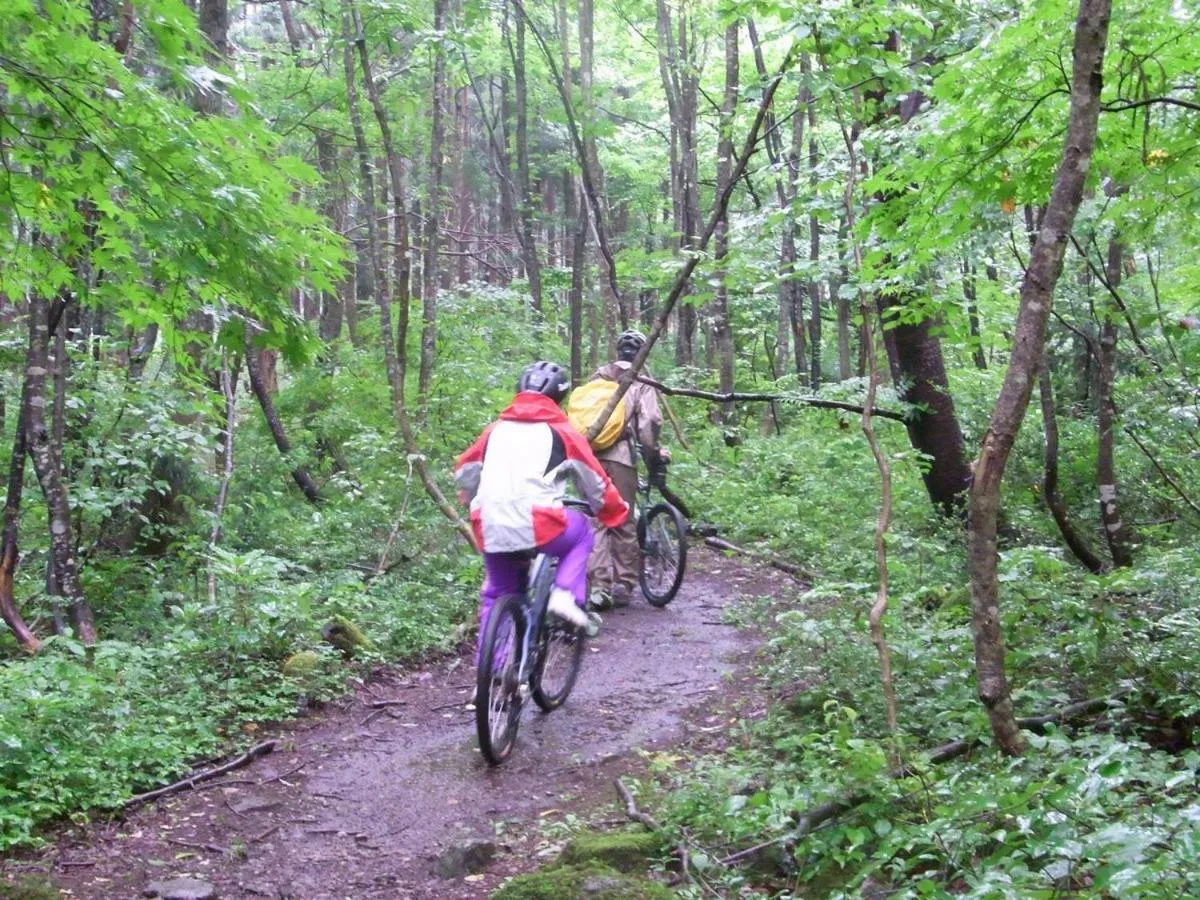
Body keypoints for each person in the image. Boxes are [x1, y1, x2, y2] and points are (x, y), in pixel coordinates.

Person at [455, 361, 628, 665]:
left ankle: (493, 670)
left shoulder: (494, 431)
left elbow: (466, 471)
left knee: (498, 593)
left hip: (489, 522)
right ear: (559, 397)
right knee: (582, 532)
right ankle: (565, 594)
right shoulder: (563, 433)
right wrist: (613, 513)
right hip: (540, 523)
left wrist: (468, 498)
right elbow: (595, 483)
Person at [587, 330, 668, 609]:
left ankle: (599, 586)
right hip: (621, 457)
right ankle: (623, 582)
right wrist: (652, 454)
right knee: (621, 518)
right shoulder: (641, 382)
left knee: (598, 519)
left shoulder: (598, 377)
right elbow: (650, 422)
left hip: (591, 457)